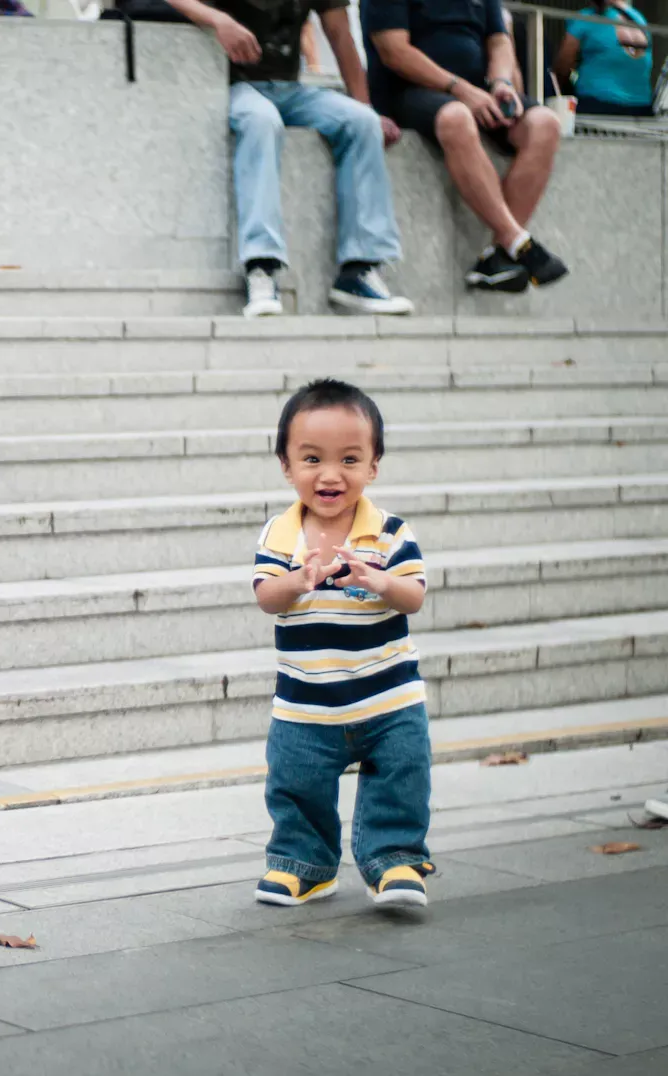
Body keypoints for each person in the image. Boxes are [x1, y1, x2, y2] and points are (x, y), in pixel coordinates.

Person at [251, 379, 434, 908]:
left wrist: (381, 581)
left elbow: (414, 596)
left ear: (373, 466)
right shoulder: (279, 536)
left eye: (349, 460)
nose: (330, 475)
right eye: (312, 459)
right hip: (305, 705)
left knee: (401, 778)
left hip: (389, 699)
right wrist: (298, 580)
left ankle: (395, 861)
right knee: (296, 785)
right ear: (286, 466)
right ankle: (303, 865)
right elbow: (266, 597)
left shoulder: (391, 533)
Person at [167, 0, 414, 318]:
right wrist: (217, 20)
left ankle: (359, 272)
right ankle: (261, 267)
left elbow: (340, 34)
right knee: (261, 120)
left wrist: (366, 106)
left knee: (362, 123)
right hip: (234, 85)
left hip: (291, 90)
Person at [364, 0, 570, 293]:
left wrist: (501, 82)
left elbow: (499, 40)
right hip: (408, 91)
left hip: (477, 90)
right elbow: (394, 51)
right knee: (457, 117)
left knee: (545, 123)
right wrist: (460, 90)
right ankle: (515, 238)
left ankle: (498, 257)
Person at [554, 1, 656, 117]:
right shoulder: (639, 19)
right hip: (642, 109)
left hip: (598, 105)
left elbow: (563, 66)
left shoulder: (586, 18)